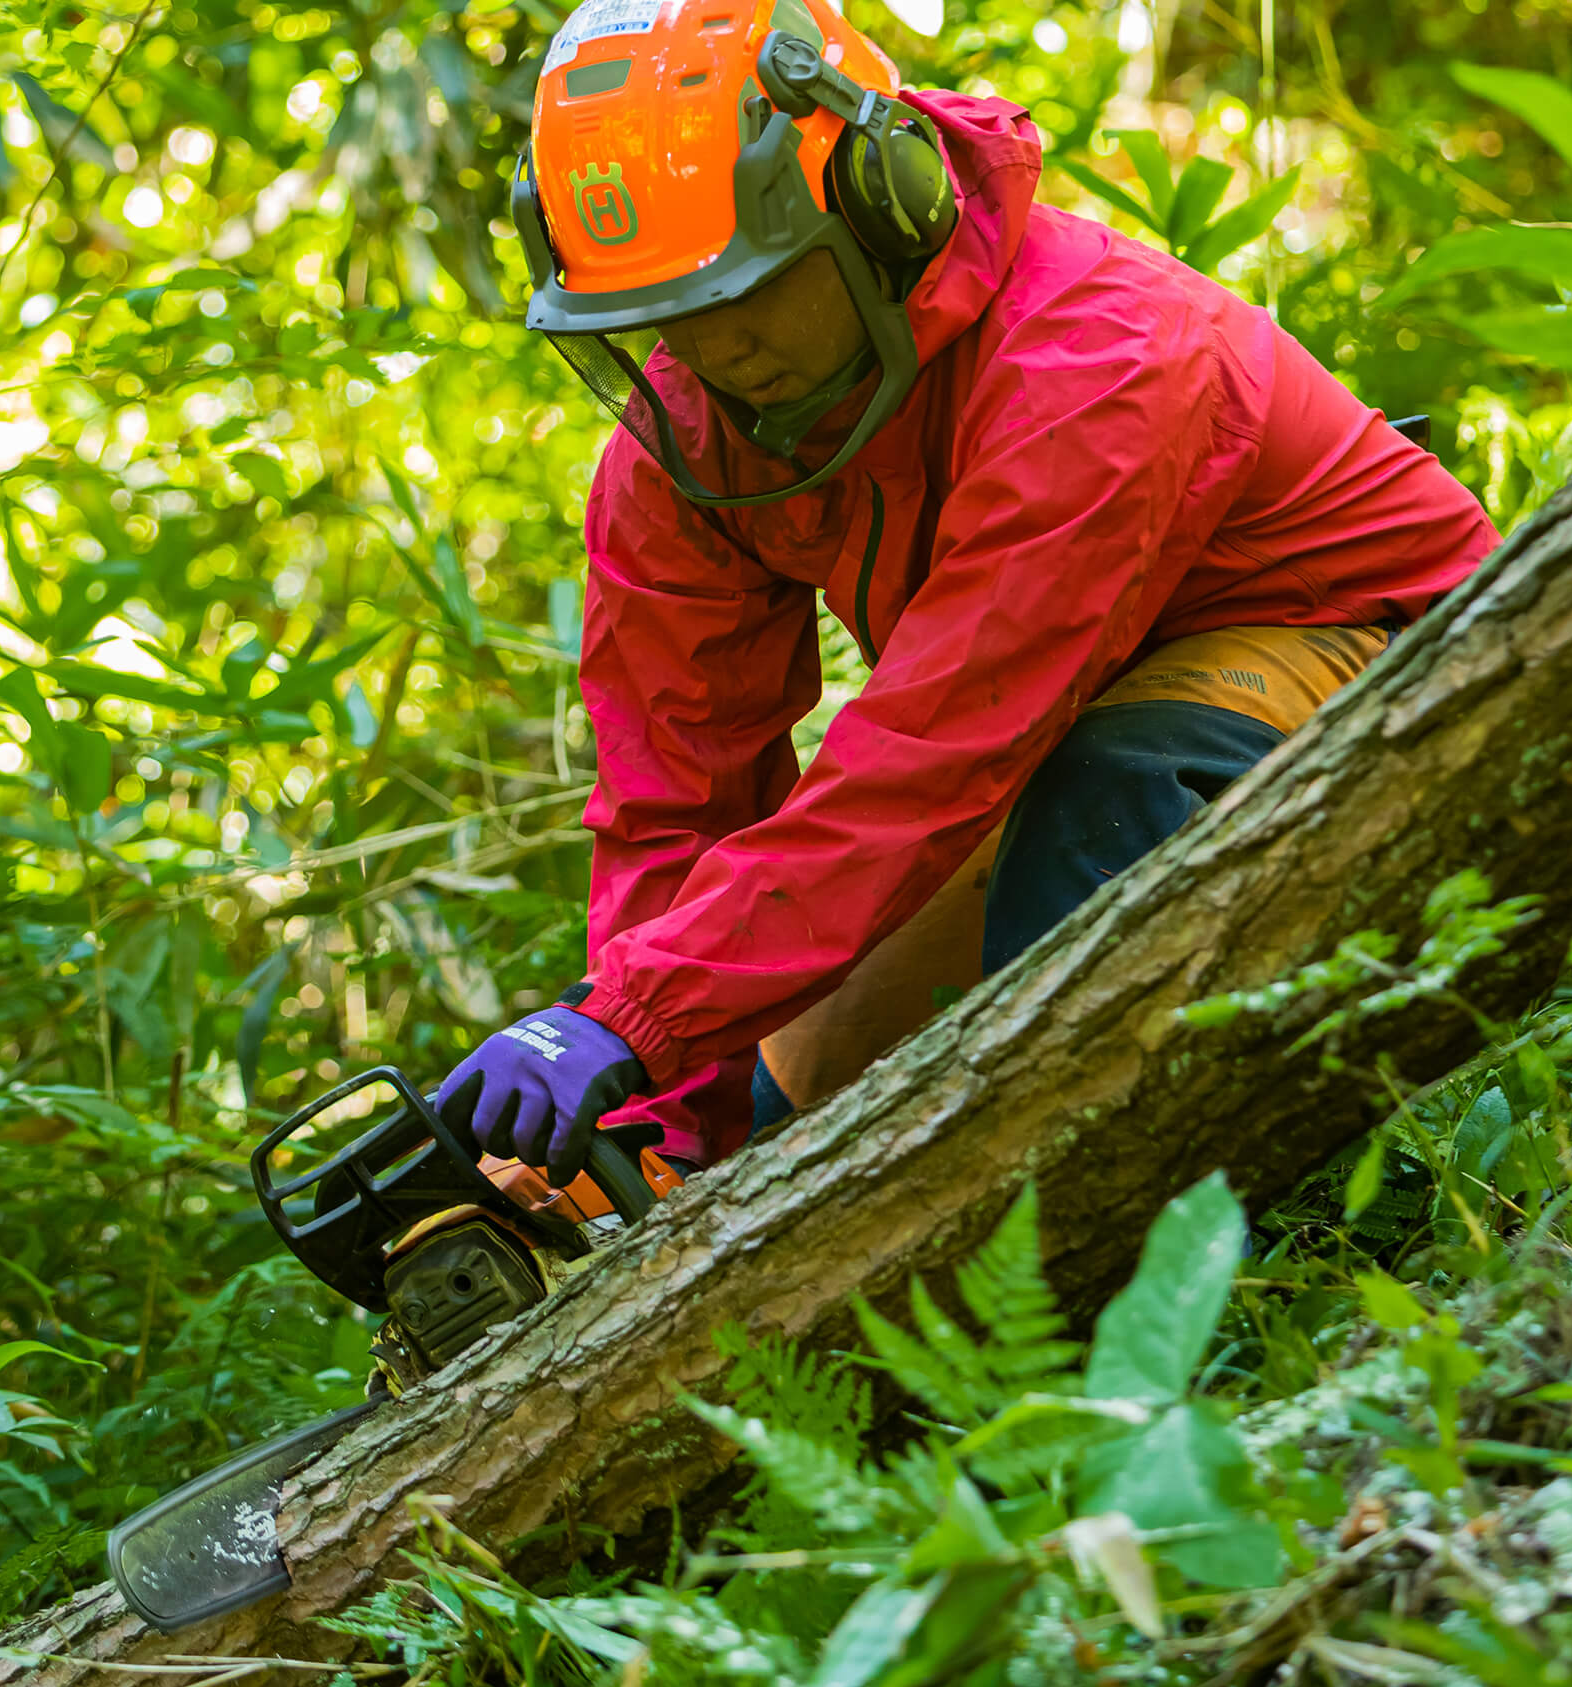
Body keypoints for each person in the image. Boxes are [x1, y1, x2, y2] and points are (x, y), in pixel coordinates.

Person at [431, 0, 1500, 1184]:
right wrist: (643, 1093)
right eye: (671, 315)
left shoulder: (1097, 357)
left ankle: (1176, 1254)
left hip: (1386, 655)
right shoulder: (689, 441)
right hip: (1059, 732)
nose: (717, 350)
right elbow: (676, 798)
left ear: (878, 200)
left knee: (1111, 808)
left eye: (746, 291)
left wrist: (640, 1010)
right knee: (804, 1084)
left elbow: (937, 749)